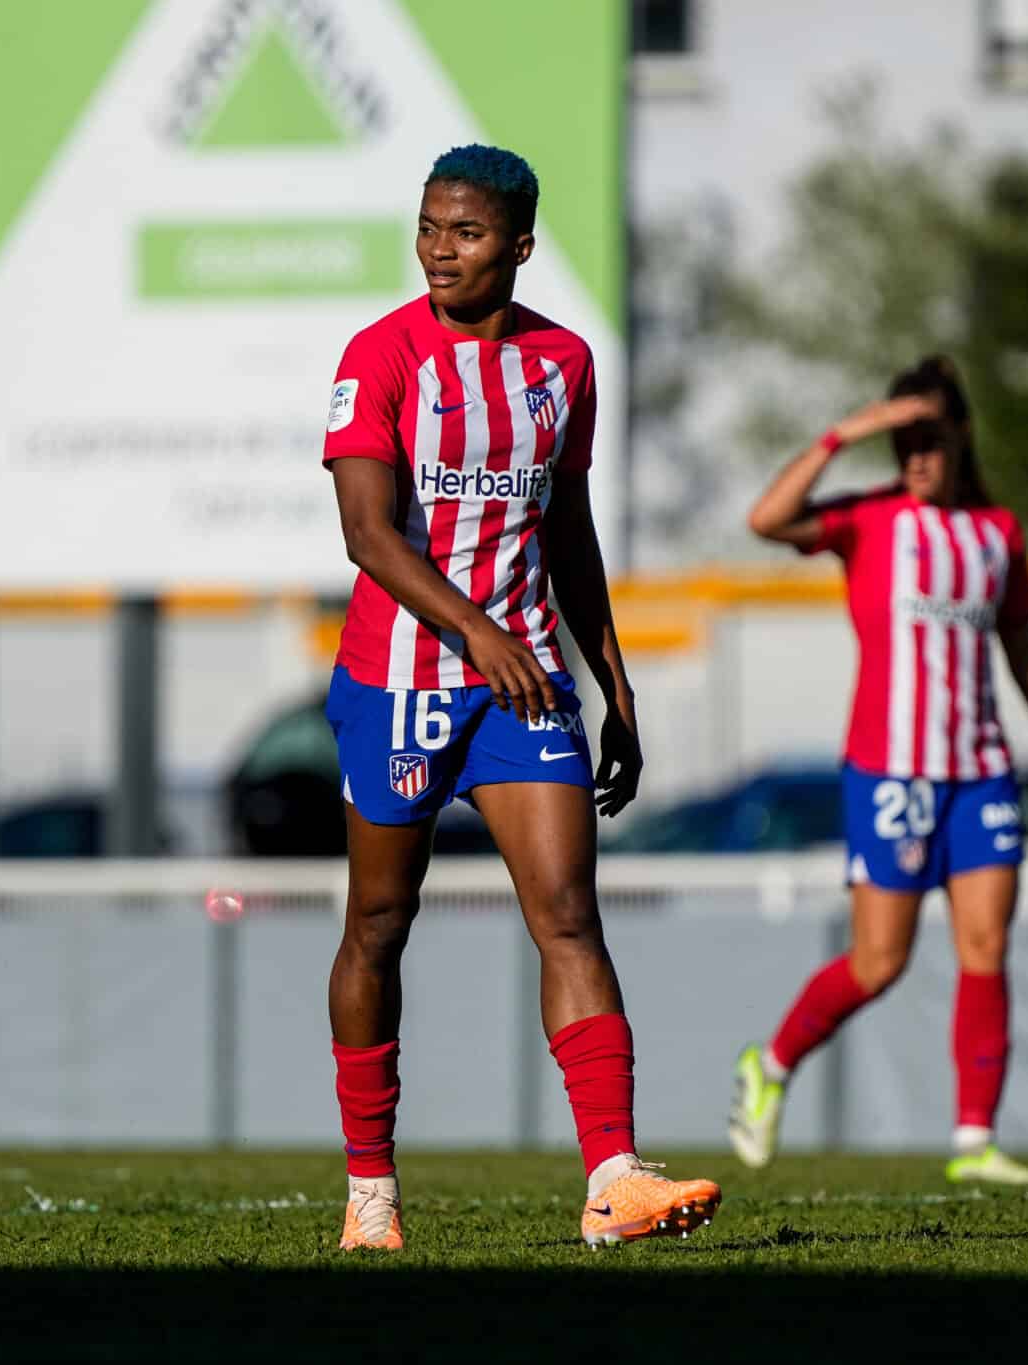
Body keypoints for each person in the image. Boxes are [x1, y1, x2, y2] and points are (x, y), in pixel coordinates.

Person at [320, 144, 719, 1251]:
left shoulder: (563, 364)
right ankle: (369, 1192)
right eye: (428, 227)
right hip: (401, 678)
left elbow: (566, 530)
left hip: (525, 682)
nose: (438, 250)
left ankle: (612, 1178)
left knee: (568, 917)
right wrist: (474, 627)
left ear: (519, 246)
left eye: (466, 233)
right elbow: (363, 533)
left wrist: (615, 681)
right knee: (378, 925)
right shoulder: (381, 355)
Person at [726, 356, 1028, 1185]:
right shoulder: (870, 520)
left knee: (985, 944)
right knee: (879, 963)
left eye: (929, 440)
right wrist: (842, 434)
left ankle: (975, 1141)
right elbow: (765, 517)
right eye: (902, 444)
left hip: (981, 771)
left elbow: (1024, 648)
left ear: (960, 437)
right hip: (890, 770)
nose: (917, 458)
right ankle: (773, 1064)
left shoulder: (997, 532)